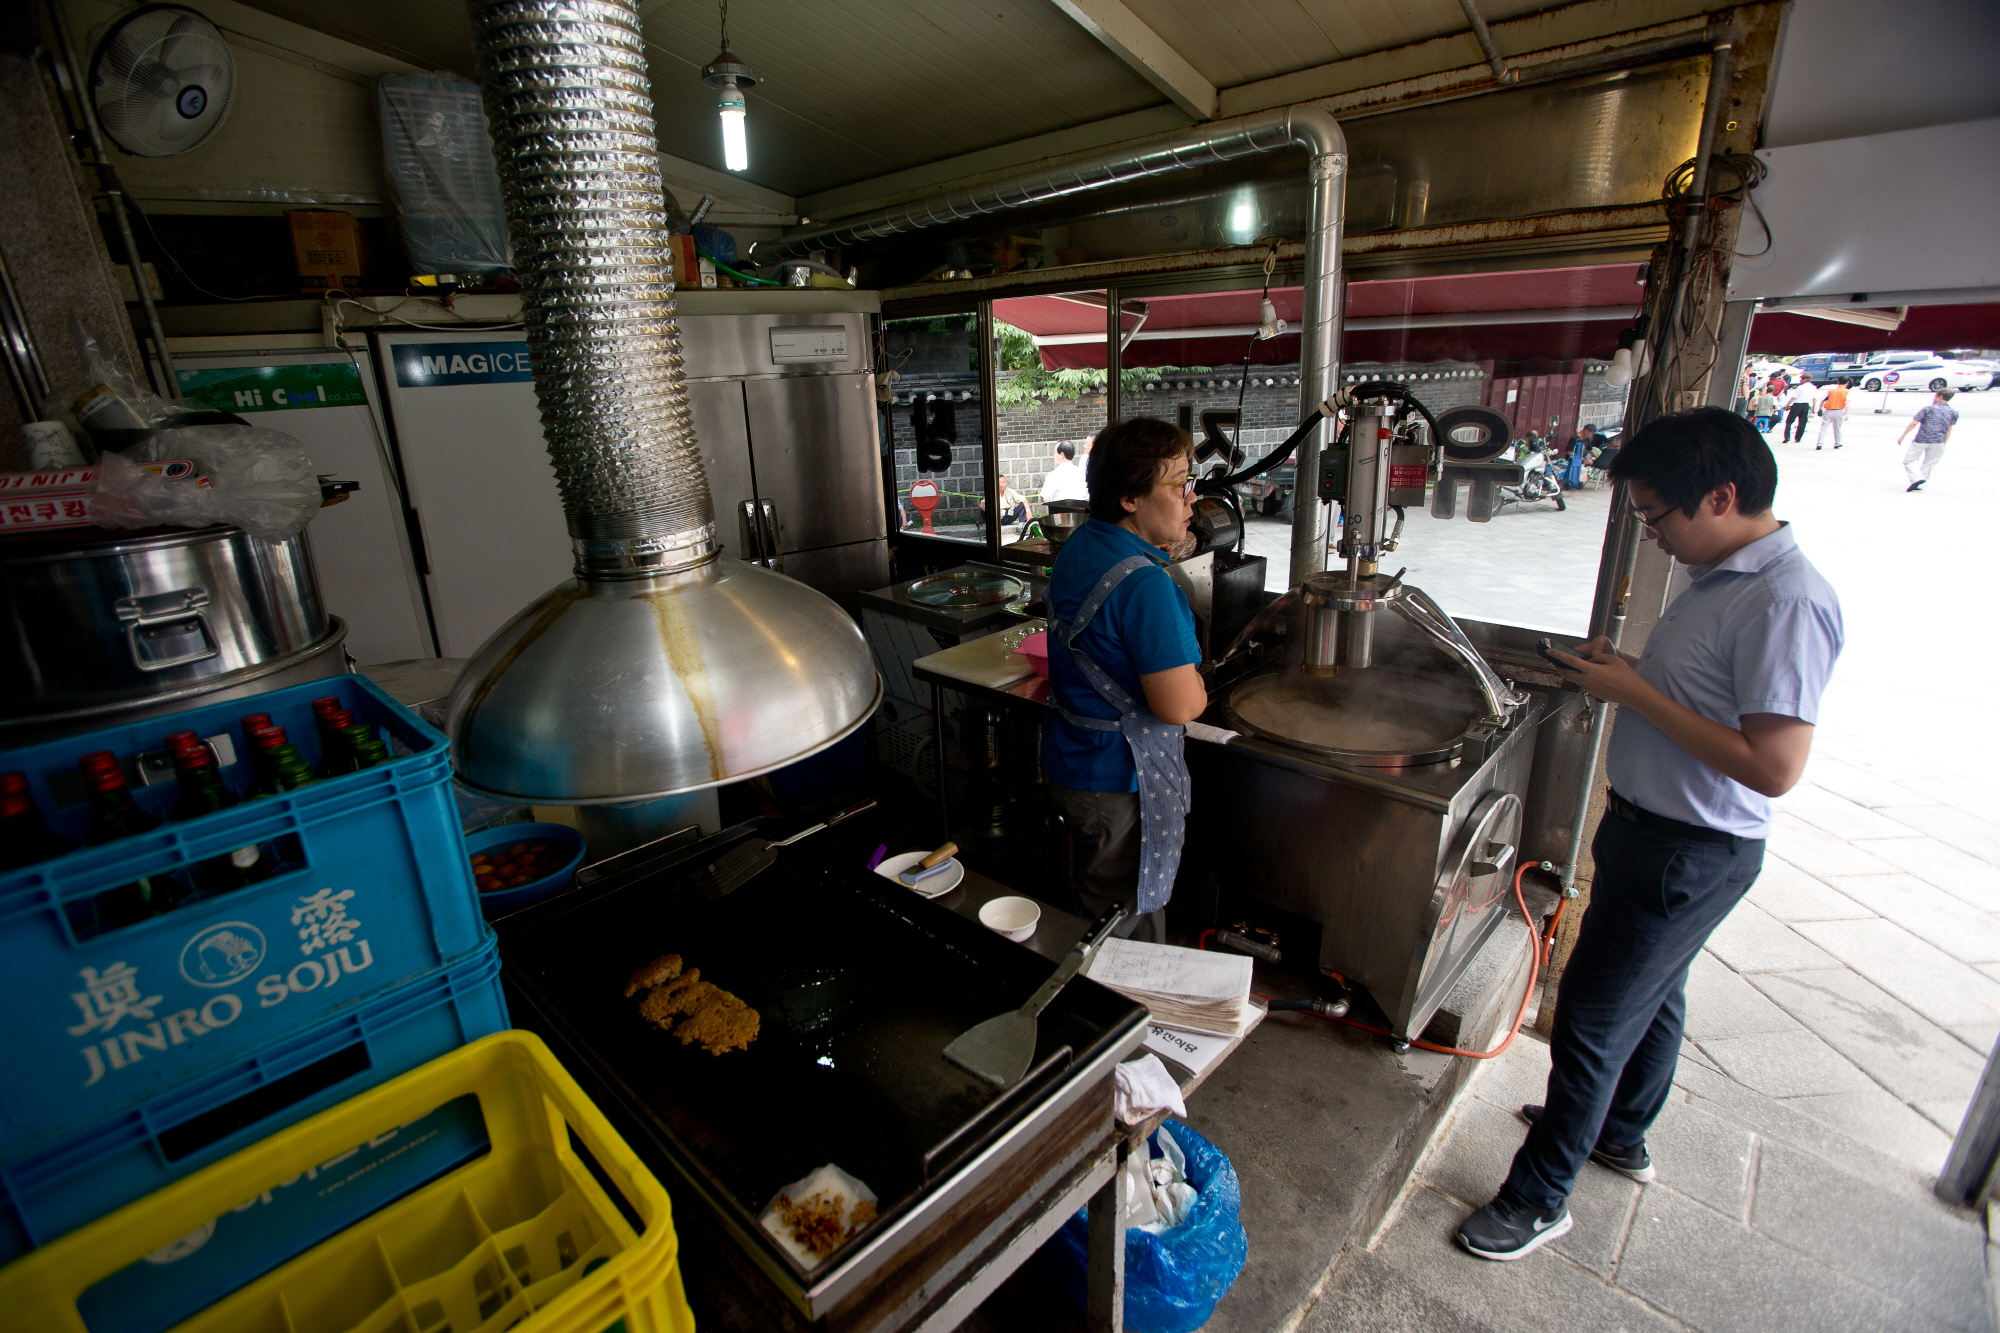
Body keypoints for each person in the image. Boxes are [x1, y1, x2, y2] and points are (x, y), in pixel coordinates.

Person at [1456, 407, 1842, 1262]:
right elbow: (1708, 702)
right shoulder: (1723, 578)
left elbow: (1774, 766)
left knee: (1593, 1019)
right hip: (1652, 834)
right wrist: (1630, 676)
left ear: (1722, 495)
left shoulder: (1785, 601)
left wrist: (1637, 696)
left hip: (1689, 850)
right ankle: (1619, 1134)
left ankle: (1538, 1196)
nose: (1651, 535)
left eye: (1656, 517)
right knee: (1654, 994)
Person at [1041, 418, 1205, 944]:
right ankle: (1122, 1017)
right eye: (1179, 484)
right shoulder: (1146, 586)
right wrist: (1198, 686)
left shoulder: (1085, 543)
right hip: (1118, 780)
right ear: (1131, 497)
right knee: (1125, 922)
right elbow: (1179, 707)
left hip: (1074, 761)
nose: (1191, 498)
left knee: (1098, 904)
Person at [1898, 389, 1958, 491]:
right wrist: (1944, 443)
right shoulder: (1954, 412)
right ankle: (1921, 483)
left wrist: (1903, 435)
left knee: (1909, 460)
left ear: (1940, 396)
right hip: (1939, 440)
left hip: (1922, 438)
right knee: (1929, 463)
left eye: (1935, 396)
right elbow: (1949, 430)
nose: (1934, 398)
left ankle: (1917, 479)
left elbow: (1914, 423)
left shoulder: (1928, 409)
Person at [1780, 376, 1818, 443]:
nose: (1800, 380)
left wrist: (1787, 405)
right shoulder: (1813, 387)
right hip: (1806, 406)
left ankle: (1787, 437)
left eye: (1801, 379)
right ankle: (1798, 438)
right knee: (1802, 423)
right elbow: (1814, 399)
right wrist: (1813, 408)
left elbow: (1794, 397)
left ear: (1805, 379)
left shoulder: (1800, 387)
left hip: (1797, 405)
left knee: (1789, 422)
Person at [1815, 380, 1848, 449]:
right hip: (1838, 412)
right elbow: (1846, 403)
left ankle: (1819, 444)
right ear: (1847, 382)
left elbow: (1822, 400)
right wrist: (1847, 414)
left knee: (1823, 429)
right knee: (1837, 429)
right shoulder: (1846, 392)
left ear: (1838, 381)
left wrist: (1820, 409)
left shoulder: (1830, 391)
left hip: (1828, 411)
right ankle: (1837, 443)